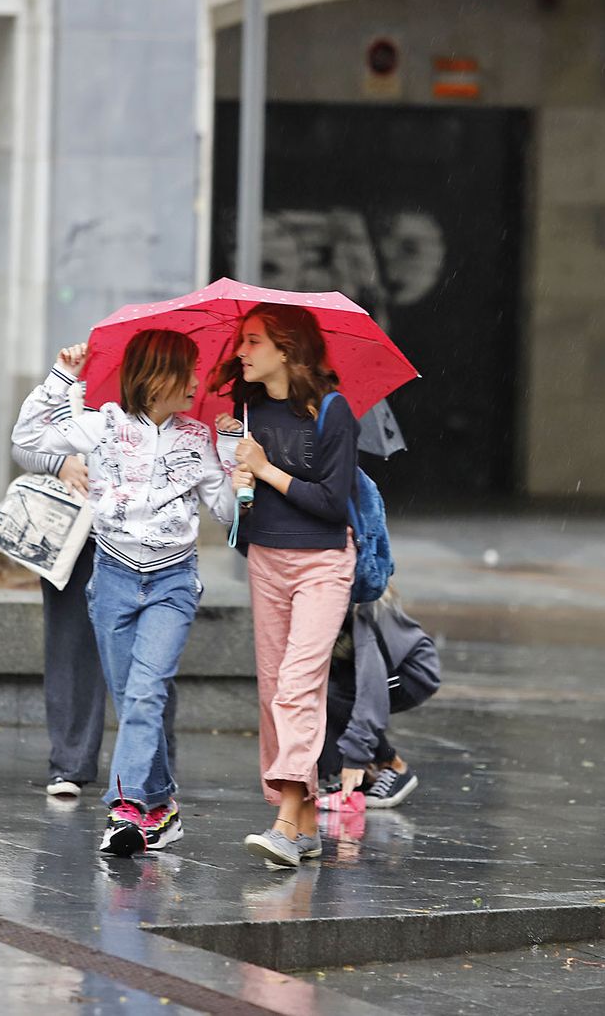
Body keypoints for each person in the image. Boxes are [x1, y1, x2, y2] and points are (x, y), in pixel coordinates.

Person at [13, 331, 245, 857]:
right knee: (134, 701)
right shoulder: (104, 425)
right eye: (186, 371)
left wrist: (235, 460)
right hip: (113, 580)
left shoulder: (198, 438)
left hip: (172, 582)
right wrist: (61, 378)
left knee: (144, 695)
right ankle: (163, 806)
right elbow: (26, 439)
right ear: (157, 377)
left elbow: (229, 515)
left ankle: (128, 811)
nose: (195, 382)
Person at [212, 303, 360, 868]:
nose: (241, 353)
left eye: (253, 342)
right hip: (266, 558)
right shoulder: (247, 409)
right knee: (276, 689)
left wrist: (268, 468)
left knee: (297, 685)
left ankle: (283, 823)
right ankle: (300, 823)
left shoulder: (333, 411)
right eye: (242, 342)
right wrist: (240, 472)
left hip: (322, 560)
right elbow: (245, 501)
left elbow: (331, 503)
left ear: (287, 349)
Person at [9, 444, 181, 804]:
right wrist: (59, 462)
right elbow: (24, 442)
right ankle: (69, 763)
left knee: (149, 655)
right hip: (76, 534)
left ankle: (152, 769)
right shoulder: (72, 387)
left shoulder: (169, 399)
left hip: (145, 540)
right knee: (70, 646)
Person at [316, 588, 438, 810]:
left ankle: (395, 766)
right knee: (319, 688)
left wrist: (355, 756)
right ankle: (368, 776)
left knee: (333, 695)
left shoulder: (362, 607)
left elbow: (371, 689)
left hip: (410, 673)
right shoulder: (326, 600)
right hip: (365, 673)